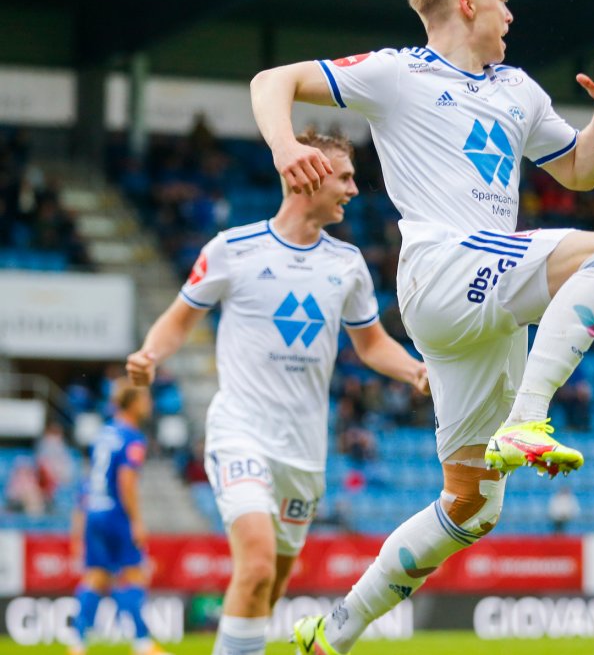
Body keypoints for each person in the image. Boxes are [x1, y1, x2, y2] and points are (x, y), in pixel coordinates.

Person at [249, 0, 594, 655]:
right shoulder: (397, 74)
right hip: (441, 265)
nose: (510, 12)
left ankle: (332, 632)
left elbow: (582, 171)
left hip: (481, 302)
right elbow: (271, 79)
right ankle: (529, 417)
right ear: (467, 4)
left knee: (471, 504)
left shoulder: (518, 90)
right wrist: (284, 147)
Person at [126, 129, 428, 655]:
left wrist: (415, 372)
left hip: (304, 454)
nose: (354, 190)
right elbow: (178, 320)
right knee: (258, 563)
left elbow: (372, 343)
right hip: (241, 432)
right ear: (306, 175)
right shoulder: (232, 249)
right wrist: (151, 353)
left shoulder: (347, 264)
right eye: (345, 177)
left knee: (274, 581)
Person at [69, 380, 170, 655]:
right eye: (145, 399)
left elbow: (88, 479)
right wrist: (136, 521)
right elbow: (126, 481)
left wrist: (79, 523)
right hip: (115, 513)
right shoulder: (132, 436)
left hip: (93, 511)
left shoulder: (103, 433)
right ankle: (143, 643)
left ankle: (76, 643)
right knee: (133, 575)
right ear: (134, 403)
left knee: (97, 578)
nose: (149, 404)